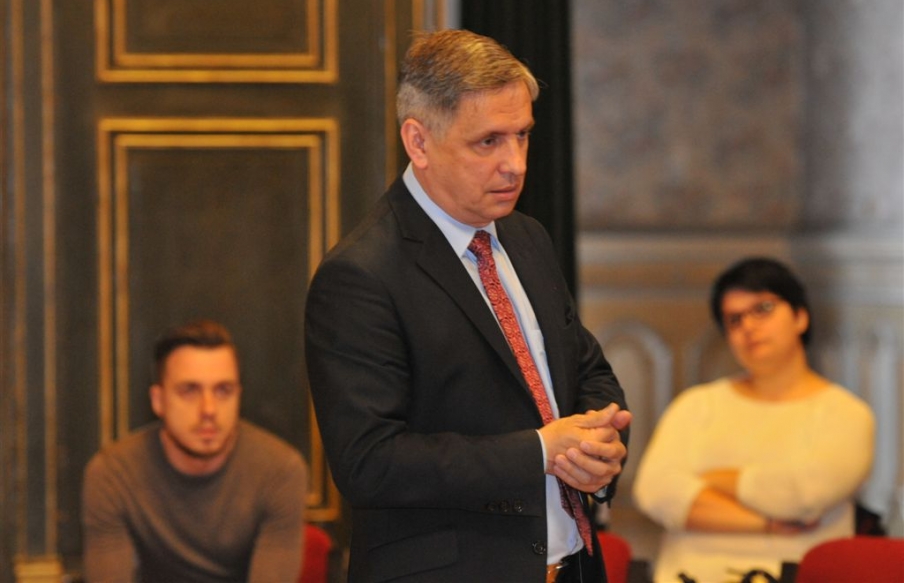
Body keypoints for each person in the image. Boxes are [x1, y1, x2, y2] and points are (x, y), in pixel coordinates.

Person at [304, 29, 632, 583]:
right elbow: (369, 462)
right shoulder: (360, 275)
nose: (515, 164)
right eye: (488, 142)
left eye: (522, 136)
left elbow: (586, 370)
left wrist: (600, 442)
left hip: (573, 567)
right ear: (419, 142)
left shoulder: (527, 238)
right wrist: (539, 452)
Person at [633, 257, 875, 583]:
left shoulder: (846, 413)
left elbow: (805, 495)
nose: (748, 326)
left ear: (800, 316)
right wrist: (767, 525)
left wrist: (716, 479)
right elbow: (655, 492)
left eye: (763, 309)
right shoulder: (696, 405)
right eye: (734, 320)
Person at [81, 319, 308, 583]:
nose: (209, 409)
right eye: (189, 391)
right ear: (158, 400)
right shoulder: (112, 473)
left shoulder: (280, 470)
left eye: (223, 391)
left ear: (239, 396)